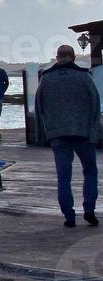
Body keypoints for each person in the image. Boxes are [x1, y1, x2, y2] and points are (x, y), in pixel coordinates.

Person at [36, 44, 103, 227]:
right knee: (90, 171)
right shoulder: (84, 77)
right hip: (83, 133)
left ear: (57, 57)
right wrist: (94, 131)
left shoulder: (46, 79)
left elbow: (39, 107)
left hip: (58, 134)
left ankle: (69, 215)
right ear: (73, 57)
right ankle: (89, 209)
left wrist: (45, 134)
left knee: (63, 177)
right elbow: (95, 105)